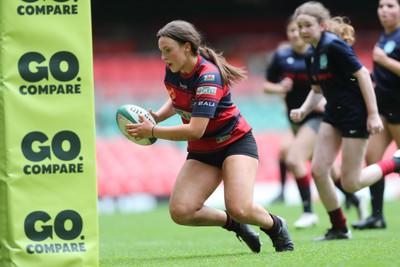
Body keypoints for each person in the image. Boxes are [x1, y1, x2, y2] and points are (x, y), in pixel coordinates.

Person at [126, 20, 294, 252]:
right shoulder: (174, 68)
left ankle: (276, 226)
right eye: (161, 51)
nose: (163, 57)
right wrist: (157, 117)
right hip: (203, 151)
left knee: (240, 207)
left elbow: (196, 129)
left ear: (186, 47)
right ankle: (234, 224)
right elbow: (179, 99)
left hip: (235, 143)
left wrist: (153, 131)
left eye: (168, 50)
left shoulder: (208, 76)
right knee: (181, 211)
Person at [290, 1, 400, 241]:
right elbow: (317, 89)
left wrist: (372, 114)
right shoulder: (311, 53)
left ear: (323, 25)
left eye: (308, 25)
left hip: (354, 115)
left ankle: (394, 163)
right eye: (299, 27)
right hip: (333, 115)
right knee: (319, 171)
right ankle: (339, 227)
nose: (303, 31)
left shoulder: (334, 46)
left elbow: (362, 73)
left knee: (351, 183)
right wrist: (303, 109)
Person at [263, 16, 365, 228]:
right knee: (327, 170)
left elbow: (328, 84)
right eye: (291, 30)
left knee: (293, 158)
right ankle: (354, 199)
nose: (295, 33)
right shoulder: (282, 57)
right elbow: (267, 86)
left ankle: (309, 211)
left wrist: (325, 98)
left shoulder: (318, 54)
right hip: (296, 119)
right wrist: (279, 88)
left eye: (298, 29)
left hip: (318, 118)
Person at [352, 0, 400, 230]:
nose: (384, 10)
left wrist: (385, 61)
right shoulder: (385, 37)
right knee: (373, 159)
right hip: (382, 109)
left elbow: (390, 66)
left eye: (390, 5)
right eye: (381, 6)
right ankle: (377, 216)